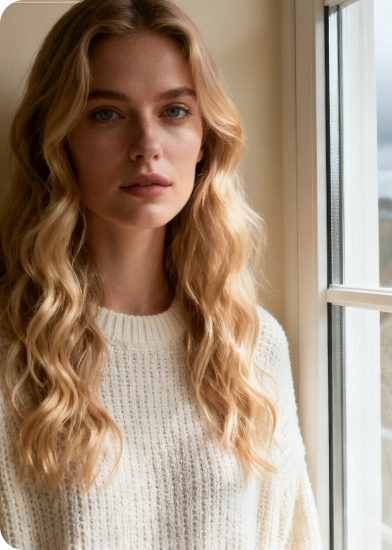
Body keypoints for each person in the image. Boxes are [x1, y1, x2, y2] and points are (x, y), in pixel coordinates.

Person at [0, 0, 322, 548]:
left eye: (174, 111)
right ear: (57, 140)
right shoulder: (13, 352)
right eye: (107, 113)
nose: (147, 146)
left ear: (205, 139)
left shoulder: (252, 346)